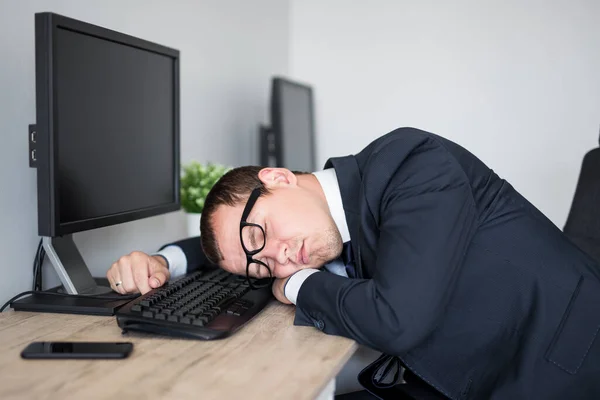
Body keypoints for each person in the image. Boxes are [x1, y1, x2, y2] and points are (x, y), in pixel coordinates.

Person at [107, 127, 600, 399]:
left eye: (260, 235)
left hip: (559, 370)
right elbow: (241, 250)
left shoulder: (413, 164)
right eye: (260, 268)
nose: (277, 258)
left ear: (277, 177)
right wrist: (163, 260)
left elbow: (397, 320)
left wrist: (298, 285)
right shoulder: (313, 221)